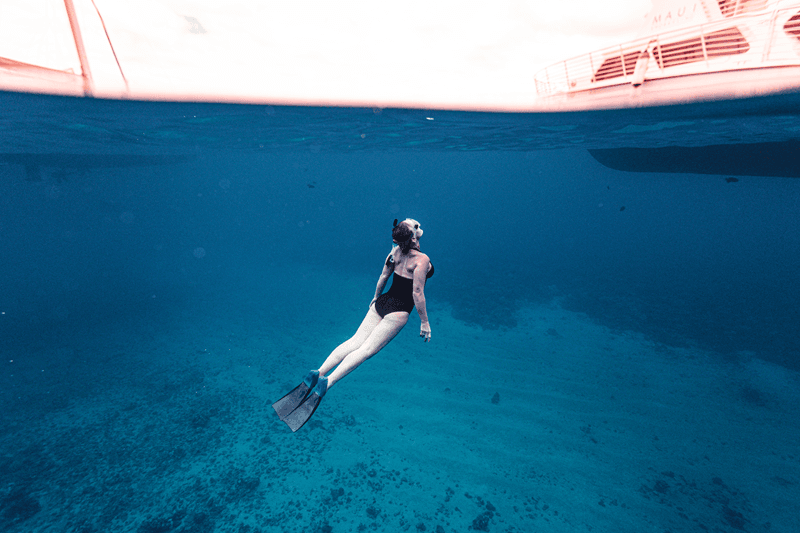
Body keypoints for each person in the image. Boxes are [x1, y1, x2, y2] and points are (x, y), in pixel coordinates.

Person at [272, 218, 434, 432]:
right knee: (366, 350)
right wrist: (425, 322)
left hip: (383, 302)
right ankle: (326, 383)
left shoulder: (394, 253)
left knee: (354, 341)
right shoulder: (421, 260)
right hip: (399, 310)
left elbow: (383, 276)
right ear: (412, 236)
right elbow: (417, 292)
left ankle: (318, 371)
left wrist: (376, 298)